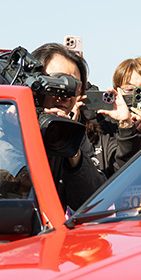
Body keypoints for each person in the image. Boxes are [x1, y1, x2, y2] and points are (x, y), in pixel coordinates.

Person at [31, 42, 106, 209]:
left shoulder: (71, 134)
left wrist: (70, 150)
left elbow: (93, 201)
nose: (66, 95)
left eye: (75, 87)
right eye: (59, 82)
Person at [95, 58, 141, 177]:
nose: (137, 95)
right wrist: (126, 126)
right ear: (118, 91)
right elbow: (118, 171)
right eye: (129, 90)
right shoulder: (108, 126)